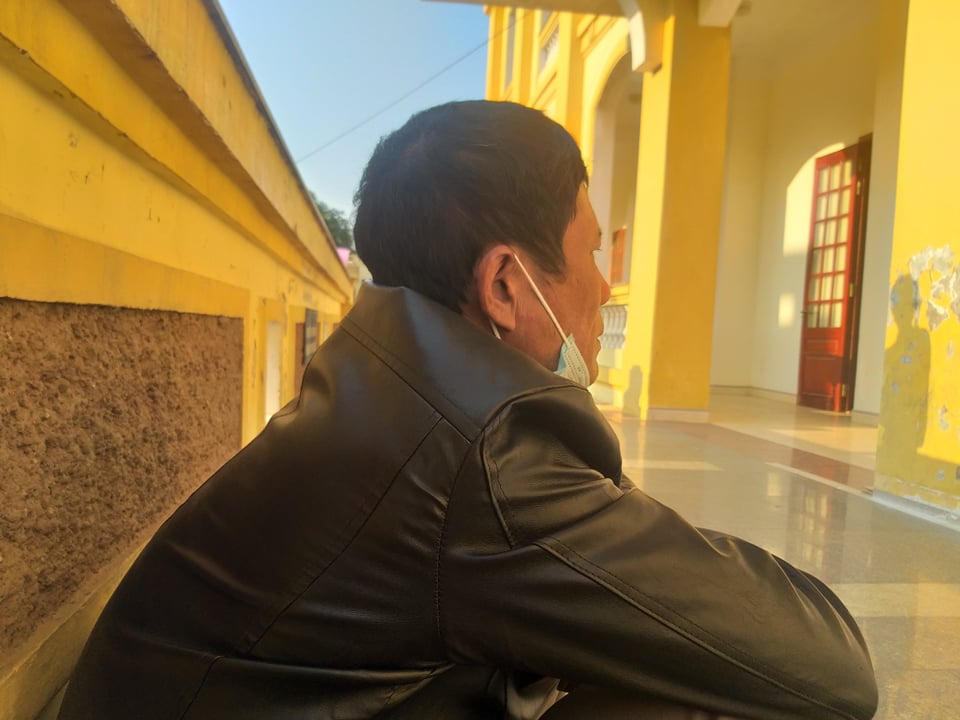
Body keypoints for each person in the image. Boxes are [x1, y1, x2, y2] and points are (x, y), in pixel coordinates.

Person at [58, 101, 878, 720]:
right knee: (710, 697)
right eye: (592, 250)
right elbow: (831, 666)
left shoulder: (387, 373)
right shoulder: (486, 456)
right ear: (506, 285)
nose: (605, 287)